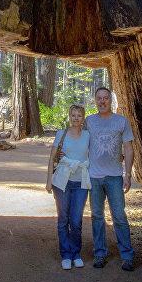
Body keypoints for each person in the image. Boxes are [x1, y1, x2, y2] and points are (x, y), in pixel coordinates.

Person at [86, 86, 136, 271]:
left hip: (115, 176)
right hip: (94, 177)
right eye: (99, 98)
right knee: (97, 216)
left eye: (105, 98)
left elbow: (129, 148)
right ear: (95, 101)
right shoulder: (88, 121)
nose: (102, 101)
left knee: (119, 216)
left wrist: (128, 173)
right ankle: (100, 253)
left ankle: (127, 255)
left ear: (110, 100)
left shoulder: (121, 121)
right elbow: (80, 143)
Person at [46, 104, 91, 270]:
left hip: (81, 182)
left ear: (83, 118)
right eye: (73, 115)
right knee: (63, 218)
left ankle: (76, 253)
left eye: (79, 115)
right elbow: (52, 158)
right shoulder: (61, 134)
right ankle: (65, 254)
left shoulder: (87, 135)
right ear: (69, 116)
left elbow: (95, 153)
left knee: (76, 220)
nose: (76, 118)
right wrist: (48, 180)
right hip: (62, 182)